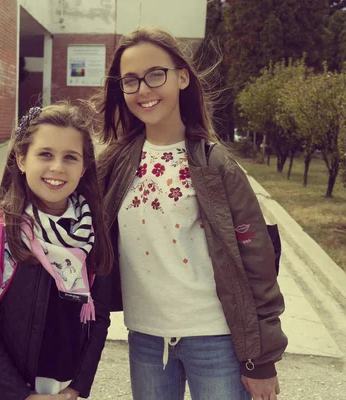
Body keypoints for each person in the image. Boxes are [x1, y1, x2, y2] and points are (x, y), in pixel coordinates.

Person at [96, 27, 288, 400]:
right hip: (147, 340)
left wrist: (261, 360)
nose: (144, 90)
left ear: (182, 76)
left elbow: (258, 262)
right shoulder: (115, 163)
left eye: (156, 74)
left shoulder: (216, 164)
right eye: (130, 81)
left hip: (217, 340)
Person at [0, 103, 114, 400]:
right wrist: (21, 396)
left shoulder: (93, 235)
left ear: (84, 167)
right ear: (21, 158)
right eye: (45, 154)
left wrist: (77, 387)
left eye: (70, 157)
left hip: (61, 391)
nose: (57, 167)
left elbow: (100, 318)